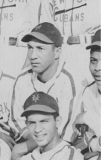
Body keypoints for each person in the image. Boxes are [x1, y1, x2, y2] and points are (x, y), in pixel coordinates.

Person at [11, 22, 81, 159]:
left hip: (65, 147)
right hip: (34, 144)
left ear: (57, 52)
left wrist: (27, 145)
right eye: (30, 48)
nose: (32, 56)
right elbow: (16, 122)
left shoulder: (70, 80)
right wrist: (36, 138)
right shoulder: (22, 79)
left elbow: (64, 133)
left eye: (40, 48)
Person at [20, 92, 84, 160]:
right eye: (32, 123)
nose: (37, 129)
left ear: (57, 122)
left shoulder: (70, 156)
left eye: (44, 121)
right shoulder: (26, 158)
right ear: (26, 124)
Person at [72, 29, 101, 159]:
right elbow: (93, 141)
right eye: (93, 60)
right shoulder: (89, 91)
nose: (97, 68)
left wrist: (87, 116)